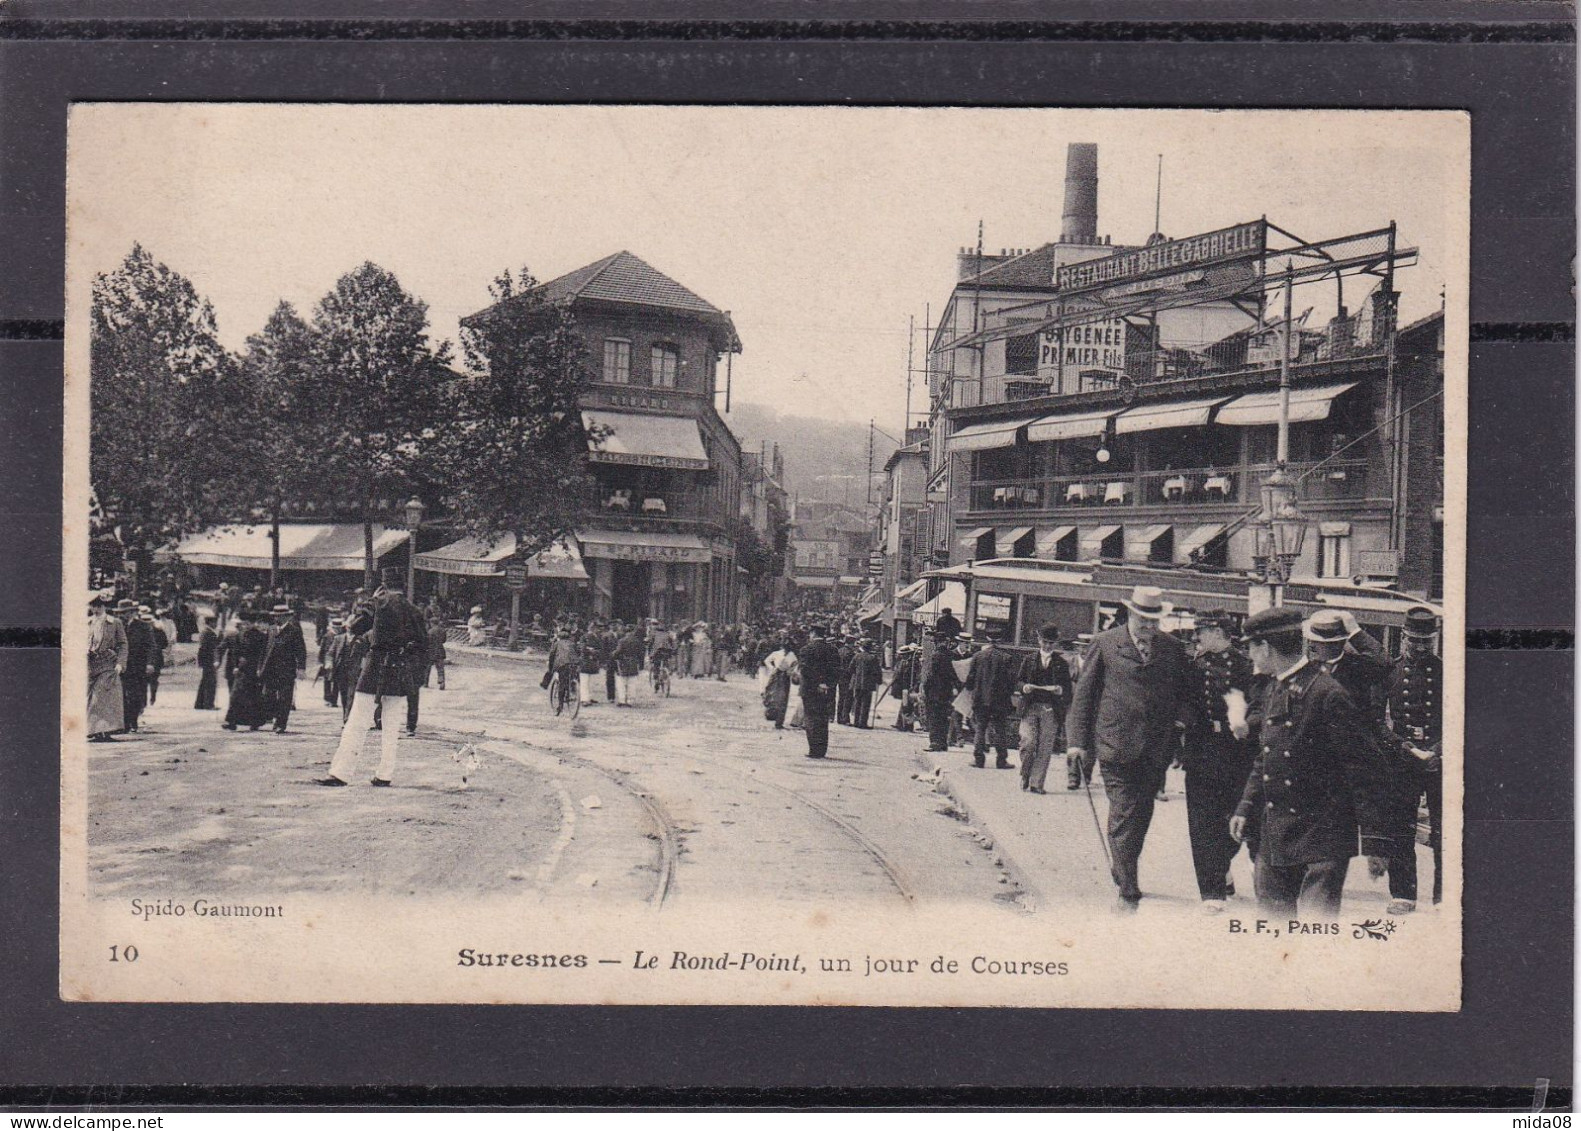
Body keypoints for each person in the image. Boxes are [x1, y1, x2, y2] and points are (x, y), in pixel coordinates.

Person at [1230, 608, 1399, 919]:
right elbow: (1267, 754)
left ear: (1265, 648)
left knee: (1315, 937)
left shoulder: (1327, 693)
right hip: (1276, 831)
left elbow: (1365, 768)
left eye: (1251, 647)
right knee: (1273, 929)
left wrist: (1375, 841)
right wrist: (1245, 805)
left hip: (1324, 834)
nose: (1249, 655)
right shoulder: (1275, 687)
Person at [1066, 586, 1196, 910]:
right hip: (1116, 744)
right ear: (1131, 615)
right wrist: (1077, 743)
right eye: (1144, 620)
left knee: (1141, 815)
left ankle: (1122, 863)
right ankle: (1128, 884)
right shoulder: (1105, 644)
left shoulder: (1173, 649)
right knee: (1124, 811)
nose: (1149, 628)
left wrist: (1180, 721)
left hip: (1155, 749)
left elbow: (1187, 695)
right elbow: (1084, 698)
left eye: (1155, 621)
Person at [319, 568, 428, 787]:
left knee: (357, 721)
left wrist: (371, 603)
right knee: (391, 725)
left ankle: (341, 772)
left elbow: (355, 626)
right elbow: (422, 645)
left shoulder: (380, 604)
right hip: (399, 669)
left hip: (376, 667)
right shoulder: (414, 610)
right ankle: (385, 774)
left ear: (384, 585)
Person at [1182, 610, 1259, 913]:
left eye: (1201, 630)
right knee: (1202, 825)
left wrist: (1247, 723)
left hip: (1236, 751)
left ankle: (1222, 863)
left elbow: (1259, 703)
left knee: (1235, 819)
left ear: (1218, 631)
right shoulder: (1195, 666)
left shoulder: (1246, 666)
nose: (1197, 636)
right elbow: (1184, 701)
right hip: (1202, 749)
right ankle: (1211, 892)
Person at [1378, 605, 1444, 913]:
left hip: (1437, 758)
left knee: (1444, 828)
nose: (1420, 648)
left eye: (1426, 642)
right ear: (1404, 637)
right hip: (1403, 758)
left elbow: (1461, 715)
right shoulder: (1391, 671)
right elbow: (1378, 722)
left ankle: (1444, 895)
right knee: (1400, 828)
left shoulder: (1447, 672)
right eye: (1414, 641)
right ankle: (1403, 894)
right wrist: (1402, 746)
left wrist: (1439, 749)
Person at [1016, 623, 1073, 793]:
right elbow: (1018, 681)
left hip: (1050, 709)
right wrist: (1024, 687)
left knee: (1045, 747)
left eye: (1051, 643)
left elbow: (1067, 689)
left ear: (1055, 644)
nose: (1047, 646)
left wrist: (1060, 690)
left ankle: (1036, 783)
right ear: (1038, 640)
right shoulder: (1028, 660)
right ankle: (1025, 774)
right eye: (1044, 642)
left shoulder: (1061, 664)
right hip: (1030, 707)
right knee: (1028, 742)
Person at [795, 623, 841, 759]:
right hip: (826, 691)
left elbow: (806, 671)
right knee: (822, 719)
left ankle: (814, 750)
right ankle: (822, 750)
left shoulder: (806, 650)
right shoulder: (832, 650)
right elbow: (836, 670)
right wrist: (827, 684)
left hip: (810, 689)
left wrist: (817, 683)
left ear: (813, 633)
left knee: (811, 718)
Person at [222, 609, 272, 731]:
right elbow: (236, 652)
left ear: (253, 623)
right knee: (236, 696)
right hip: (241, 670)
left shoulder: (261, 636)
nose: (245, 625)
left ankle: (255, 722)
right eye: (244, 623)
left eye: (248, 623)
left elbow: (263, 654)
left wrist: (261, 669)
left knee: (254, 697)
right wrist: (235, 665)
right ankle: (232, 722)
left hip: (254, 670)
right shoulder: (240, 635)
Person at [261, 603, 307, 734]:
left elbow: (301, 651)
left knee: (285, 698)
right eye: (275, 616)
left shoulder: (294, 631)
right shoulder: (271, 630)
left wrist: (301, 668)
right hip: (270, 669)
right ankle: (274, 716)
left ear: (286, 617)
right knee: (268, 695)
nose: (277, 618)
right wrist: (261, 667)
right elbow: (264, 650)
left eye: (280, 616)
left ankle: (281, 723)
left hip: (286, 670)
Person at [87, 594, 128, 741]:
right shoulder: (87, 622)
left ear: (104, 606)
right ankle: (94, 731)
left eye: (98, 606)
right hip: (90, 665)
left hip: (108, 664)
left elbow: (123, 644)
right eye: (92, 606)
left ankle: (104, 731)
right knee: (91, 698)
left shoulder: (114, 622)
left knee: (102, 697)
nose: (94, 609)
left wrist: (120, 663)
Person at [118, 599, 155, 734]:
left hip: (138, 666)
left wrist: (150, 663)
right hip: (121, 666)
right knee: (121, 695)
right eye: (122, 613)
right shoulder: (117, 626)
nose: (124, 615)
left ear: (133, 612)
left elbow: (151, 646)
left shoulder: (143, 627)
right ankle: (124, 723)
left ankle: (133, 721)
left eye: (126, 612)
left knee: (135, 696)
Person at [921, 633, 963, 752]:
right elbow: (955, 674)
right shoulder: (951, 655)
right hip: (947, 691)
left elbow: (930, 675)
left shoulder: (935, 656)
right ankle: (943, 743)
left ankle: (934, 743)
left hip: (934, 692)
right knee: (944, 718)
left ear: (937, 643)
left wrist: (925, 689)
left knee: (934, 718)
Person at [759, 635, 798, 729]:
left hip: (784, 678)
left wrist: (790, 672)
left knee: (783, 699)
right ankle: (771, 715)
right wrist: (772, 668)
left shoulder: (792, 656)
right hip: (775, 676)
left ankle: (779, 722)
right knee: (771, 695)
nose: (786, 649)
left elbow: (794, 667)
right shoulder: (777, 653)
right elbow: (767, 660)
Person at [849, 640, 883, 729]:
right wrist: (879, 680)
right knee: (865, 703)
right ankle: (862, 723)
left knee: (857, 702)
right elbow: (877, 671)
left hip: (857, 683)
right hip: (868, 684)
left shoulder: (857, 656)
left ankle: (856, 722)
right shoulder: (872, 658)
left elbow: (851, 668)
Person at [141, 607, 168, 706]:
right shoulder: (159, 631)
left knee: (144, 681)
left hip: (147, 659)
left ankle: (146, 701)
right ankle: (152, 698)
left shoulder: (141, 632)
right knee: (153, 680)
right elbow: (165, 644)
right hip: (156, 658)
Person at [613, 625, 645, 707]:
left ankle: (622, 700)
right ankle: (631, 700)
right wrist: (641, 665)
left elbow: (618, 651)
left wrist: (614, 656)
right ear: (633, 631)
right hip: (633, 662)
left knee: (621, 682)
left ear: (626, 631)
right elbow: (641, 654)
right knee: (632, 683)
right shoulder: (637, 641)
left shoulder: (622, 641)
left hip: (623, 662)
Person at [194, 614, 220, 710]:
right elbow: (208, 649)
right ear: (210, 623)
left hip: (205, 660)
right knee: (210, 682)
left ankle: (200, 703)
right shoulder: (209, 633)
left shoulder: (205, 632)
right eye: (215, 622)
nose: (216, 624)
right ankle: (209, 704)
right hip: (208, 660)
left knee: (205, 681)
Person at [835, 635, 856, 726]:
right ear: (852, 643)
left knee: (841, 697)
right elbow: (851, 667)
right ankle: (845, 718)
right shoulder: (851, 653)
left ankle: (839, 717)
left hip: (840, 677)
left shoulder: (839, 651)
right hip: (848, 677)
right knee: (848, 698)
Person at [425, 614, 448, 690]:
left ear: (432, 623)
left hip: (431, 651)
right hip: (440, 650)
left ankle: (425, 682)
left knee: (427, 667)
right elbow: (444, 640)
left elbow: (427, 641)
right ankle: (441, 682)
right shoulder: (443, 630)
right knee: (440, 668)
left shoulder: (429, 632)